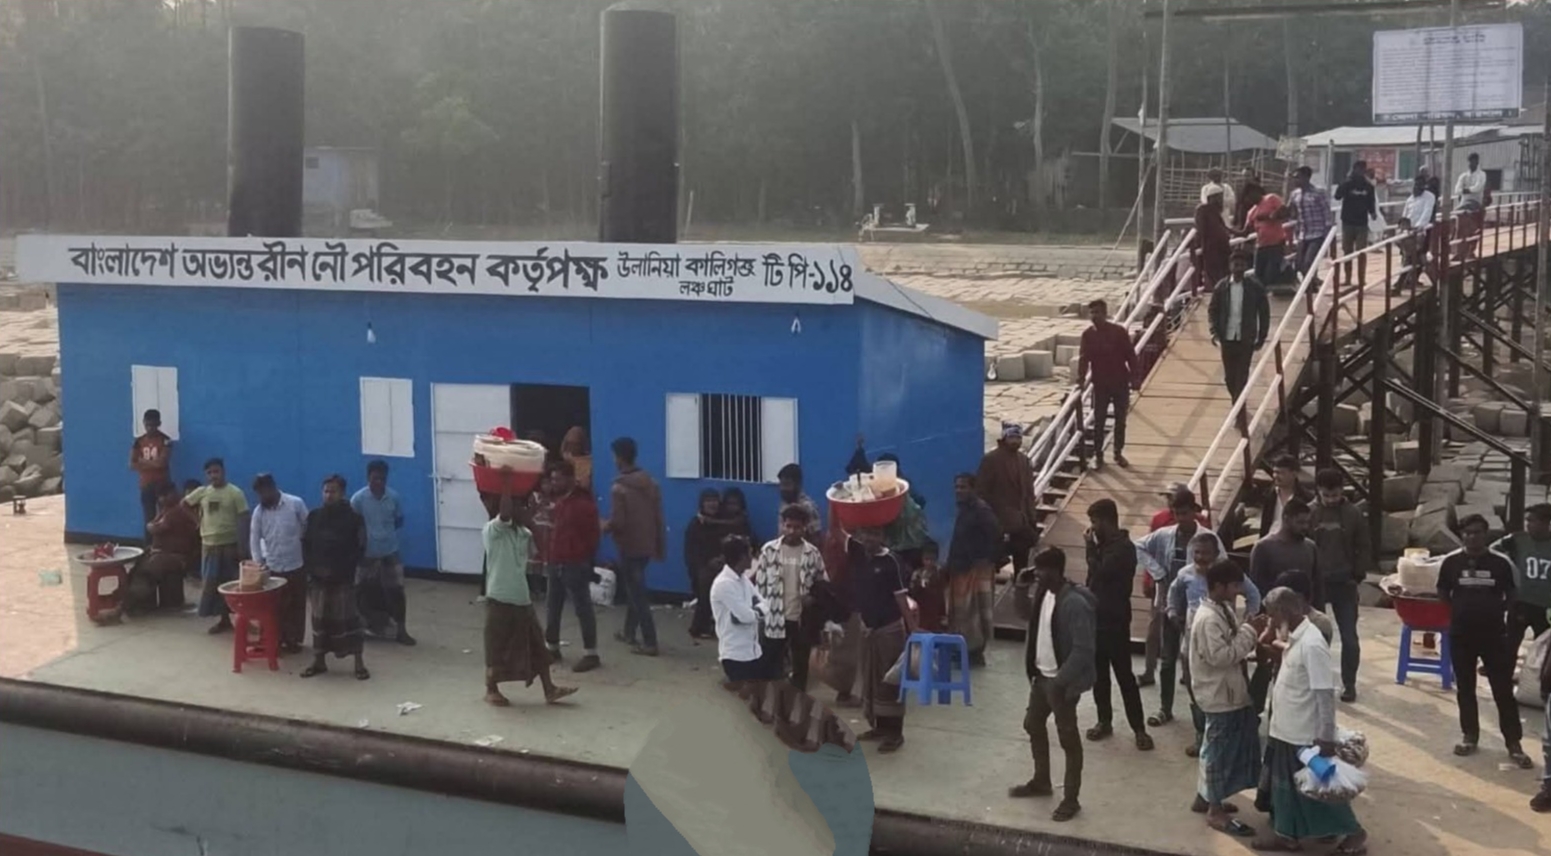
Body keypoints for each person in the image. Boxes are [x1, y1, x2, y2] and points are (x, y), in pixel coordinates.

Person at [1257, 587, 1367, 854]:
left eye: (1272, 616)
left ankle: (1354, 833)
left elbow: (1324, 694)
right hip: (1286, 729)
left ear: (1283, 612)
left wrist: (1326, 737)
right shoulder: (1297, 639)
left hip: (1304, 735)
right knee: (1286, 790)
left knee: (1319, 792)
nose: (1271, 621)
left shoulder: (1312, 644)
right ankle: (1286, 835)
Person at [1008, 547, 1097, 823]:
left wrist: (1060, 682)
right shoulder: (1044, 594)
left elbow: (1084, 649)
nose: (1037, 574)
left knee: (1068, 739)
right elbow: (1024, 615)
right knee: (1032, 724)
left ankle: (1071, 799)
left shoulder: (1074, 603)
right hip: (1041, 678)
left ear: (1056, 571)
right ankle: (1041, 780)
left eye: (1041, 569)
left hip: (1061, 683)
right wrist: (1020, 589)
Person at [1437, 514, 1533, 768]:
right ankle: (1470, 736)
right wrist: (1459, 610)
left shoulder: (1501, 563)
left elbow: (1513, 592)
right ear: (1462, 535)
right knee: (1465, 688)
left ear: (1486, 534)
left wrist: (1497, 611)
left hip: (1494, 636)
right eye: (1467, 533)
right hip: (1461, 635)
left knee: (1502, 690)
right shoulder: (1451, 562)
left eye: (1477, 532)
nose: (1472, 537)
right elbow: (1443, 590)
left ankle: (1514, 743)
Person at [481, 472, 578, 707]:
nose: (524, 509)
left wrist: (530, 519)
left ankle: (549, 688)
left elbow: (542, 550)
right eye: (520, 506)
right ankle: (491, 689)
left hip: (521, 598)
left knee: (536, 646)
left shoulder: (522, 532)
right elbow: (505, 514)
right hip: (500, 597)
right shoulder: (494, 530)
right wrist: (507, 484)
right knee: (497, 647)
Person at [1191, 559, 1267, 836]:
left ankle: (1206, 798)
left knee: (1221, 749)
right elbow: (1221, 657)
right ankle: (1215, 811)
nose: (1238, 591)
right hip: (1218, 694)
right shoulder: (1208, 619)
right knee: (1217, 754)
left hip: (1228, 691)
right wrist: (1250, 631)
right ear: (1219, 586)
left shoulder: (1222, 609)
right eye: (1235, 586)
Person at [1170, 532, 1263, 758]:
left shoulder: (1225, 596)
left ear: (1216, 554)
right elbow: (1221, 657)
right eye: (1197, 553)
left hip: (1221, 649)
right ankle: (1201, 733)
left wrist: (1249, 620)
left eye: (1206, 553)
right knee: (1199, 689)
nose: (1200, 557)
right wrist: (1173, 612)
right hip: (1198, 642)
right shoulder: (1188, 579)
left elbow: (1253, 595)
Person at [1134, 488, 1226, 711]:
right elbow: (1137, 546)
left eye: (1185, 513)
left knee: (1196, 659)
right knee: (1167, 659)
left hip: (1200, 607)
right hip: (1171, 603)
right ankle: (1165, 708)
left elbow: (1225, 566)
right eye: (1176, 513)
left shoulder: (1209, 538)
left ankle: (1201, 708)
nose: (1181, 518)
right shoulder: (1164, 534)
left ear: (1194, 511)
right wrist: (1157, 571)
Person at [1083, 499, 1153, 751]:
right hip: (1097, 620)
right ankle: (1104, 720)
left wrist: (1089, 549)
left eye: (1094, 522)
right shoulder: (1103, 547)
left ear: (1106, 520)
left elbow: (1102, 572)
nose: (1092, 527)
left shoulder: (1123, 548)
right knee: (1099, 676)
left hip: (1116, 621)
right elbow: (1092, 579)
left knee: (1124, 677)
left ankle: (1139, 728)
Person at [1248, 499, 1320, 712]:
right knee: (1264, 671)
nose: (1305, 527)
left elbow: (1316, 585)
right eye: (1300, 522)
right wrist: (1266, 626)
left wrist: (1317, 618)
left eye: (1307, 523)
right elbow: (1256, 589)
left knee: (1289, 677)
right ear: (1286, 519)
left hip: (1300, 622)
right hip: (1272, 622)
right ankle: (1252, 715)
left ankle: (1278, 716)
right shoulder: (1264, 548)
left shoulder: (1310, 548)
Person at [847, 525, 913, 753]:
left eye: (874, 534)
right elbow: (837, 532)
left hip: (889, 631)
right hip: (868, 630)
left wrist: (913, 629)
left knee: (890, 682)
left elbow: (901, 598)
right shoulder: (859, 556)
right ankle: (879, 727)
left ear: (883, 537)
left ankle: (895, 733)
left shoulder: (891, 561)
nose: (869, 538)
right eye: (866, 533)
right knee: (872, 680)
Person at [301, 475, 369, 680]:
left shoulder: (354, 519)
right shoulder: (314, 517)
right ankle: (319, 661)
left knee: (350, 621)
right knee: (319, 622)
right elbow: (306, 545)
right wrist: (312, 570)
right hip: (318, 580)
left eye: (333, 491)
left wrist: (344, 570)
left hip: (343, 579)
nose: (329, 495)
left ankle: (359, 664)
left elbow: (360, 548)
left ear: (342, 493)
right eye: (326, 491)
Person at [1310, 468, 1368, 702]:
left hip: (1345, 583)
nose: (1331, 500)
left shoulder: (1353, 514)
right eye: (1326, 495)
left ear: (1342, 491)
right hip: (1317, 584)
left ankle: (1349, 683)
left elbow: (1364, 546)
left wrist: (1358, 574)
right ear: (1318, 491)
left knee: (1350, 639)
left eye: (1335, 495)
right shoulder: (1311, 512)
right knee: (1316, 637)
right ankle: (1317, 682)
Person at [753, 505, 826, 690]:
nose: (792, 531)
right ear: (782, 525)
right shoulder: (769, 550)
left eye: (797, 527)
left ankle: (797, 699)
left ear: (805, 527)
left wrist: (813, 598)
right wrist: (761, 613)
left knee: (800, 665)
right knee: (770, 663)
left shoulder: (813, 554)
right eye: (788, 526)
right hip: (774, 617)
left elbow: (822, 583)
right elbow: (760, 585)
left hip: (801, 619)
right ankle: (769, 698)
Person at [606, 436, 665, 657]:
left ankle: (650, 642)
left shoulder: (619, 488)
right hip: (647, 542)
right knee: (635, 587)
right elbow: (658, 516)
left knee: (637, 593)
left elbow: (618, 522)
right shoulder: (651, 483)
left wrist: (602, 526)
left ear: (619, 457)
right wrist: (659, 542)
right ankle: (629, 632)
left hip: (629, 545)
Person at [542, 459, 601, 673]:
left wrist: (584, 558)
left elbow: (592, 535)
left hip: (574, 562)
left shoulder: (582, 505)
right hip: (557, 559)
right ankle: (552, 647)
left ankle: (591, 653)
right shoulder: (561, 501)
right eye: (552, 479)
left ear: (569, 479)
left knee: (582, 608)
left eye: (558, 479)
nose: (554, 483)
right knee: (553, 607)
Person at [352, 460, 414, 646]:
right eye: (374, 479)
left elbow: (398, 520)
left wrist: (385, 535)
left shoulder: (393, 497)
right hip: (366, 554)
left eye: (382, 479)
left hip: (390, 551)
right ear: (368, 478)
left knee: (397, 591)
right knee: (358, 591)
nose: (378, 482)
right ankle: (358, 628)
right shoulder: (358, 500)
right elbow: (354, 526)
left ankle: (401, 631)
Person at [185, 458, 248, 634]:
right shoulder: (202, 492)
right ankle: (224, 620)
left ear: (223, 471)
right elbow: (184, 504)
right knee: (213, 584)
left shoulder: (235, 492)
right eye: (210, 473)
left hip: (230, 545)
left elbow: (244, 518)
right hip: (209, 546)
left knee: (233, 584)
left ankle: (242, 621)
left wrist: (243, 546)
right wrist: (197, 521)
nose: (214, 475)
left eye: (216, 471)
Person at [248, 473, 309, 653]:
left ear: (273, 487)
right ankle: (274, 640)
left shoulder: (295, 504)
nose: (262, 496)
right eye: (259, 493)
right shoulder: (259, 512)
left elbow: (307, 526)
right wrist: (259, 563)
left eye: (264, 492)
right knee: (273, 607)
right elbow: (254, 539)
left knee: (296, 605)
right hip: (272, 566)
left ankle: (293, 641)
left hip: (296, 563)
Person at [945, 472, 1001, 665]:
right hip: (961, 568)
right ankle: (964, 649)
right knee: (962, 613)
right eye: (956, 487)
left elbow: (996, 536)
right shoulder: (965, 510)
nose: (958, 490)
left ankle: (974, 652)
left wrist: (983, 560)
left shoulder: (981, 511)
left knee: (975, 612)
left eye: (963, 487)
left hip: (974, 570)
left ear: (973, 489)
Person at [1077, 298, 1137, 470]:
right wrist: (1080, 380)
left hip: (1120, 382)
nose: (1094, 316)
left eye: (1097, 312)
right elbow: (1083, 359)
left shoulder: (1118, 332)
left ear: (1105, 314)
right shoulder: (1088, 335)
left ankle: (1118, 452)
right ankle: (1099, 455)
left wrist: (1135, 377)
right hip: (1100, 384)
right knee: (1099, 420)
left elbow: (1130, 356)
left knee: (1120, 419)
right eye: (1092, 313)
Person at [1492, 503, 1551, 669]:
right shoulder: (1517, 540)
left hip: (1545, 606)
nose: (1528, 524)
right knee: (1510, 644)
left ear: (1546, 522)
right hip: (1520, 602)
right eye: (1527, 520)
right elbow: (1492, 551)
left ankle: (1539, 680)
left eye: (1532, 520)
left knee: (1543, 649)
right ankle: (1503, 676)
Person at [125, 482, 199, 614]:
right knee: (137, 567)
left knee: (145, 573)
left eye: (166, 495)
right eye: (160, 496)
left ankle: (123, 608)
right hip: (163, 553)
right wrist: (152, 526)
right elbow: (153, 524)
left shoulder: (178, 510)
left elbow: (157, 528)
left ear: (174, 493)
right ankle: (143, 605)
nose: (163, 499)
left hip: (176, 556)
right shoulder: (166, 509)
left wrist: (151, 526)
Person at [1208, 250, 1271, 403]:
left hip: (1246, 338)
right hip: (1227, 337)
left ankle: (1238, 408)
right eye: (1236, 265)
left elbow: (1264, 313)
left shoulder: (1255, 287)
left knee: (1242, 376)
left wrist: (1262, 336)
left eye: (1242, 265)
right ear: (1230, 266)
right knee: (1229, 377)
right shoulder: (1221, 287)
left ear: (1246, 266)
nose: (1239, 269)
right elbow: (1212, 310)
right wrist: (1214, 332)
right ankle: (1237, 403)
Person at [978, 422, 1038, 572]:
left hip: (1022, 519)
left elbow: (1029, 492)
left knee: (1022, 561)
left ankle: (1019, 582)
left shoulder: (1024, 460)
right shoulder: (991, 459)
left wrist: (1032, 517)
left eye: (1018, 437)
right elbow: (982, 491)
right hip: (1000, 520)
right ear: (1004, 438)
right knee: (994, 559)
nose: (1015, 441)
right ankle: (1000, 560)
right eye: (1012, 437)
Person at [711, 534, 769, 689]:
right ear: (742, 557)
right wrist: (756, 611)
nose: (753, 558)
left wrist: (754, 611)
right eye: (750, 554)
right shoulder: (724, 585)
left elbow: (764, 604)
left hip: (753, 652)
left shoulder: (743, 580)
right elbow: (745, 617)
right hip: (735, 656)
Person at [683, 488, 727, 641]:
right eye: (708, 501)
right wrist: (708, 562)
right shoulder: (696, 524)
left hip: (724, 563)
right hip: (702, 566)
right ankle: (700, 626)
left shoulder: (723, 522)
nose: (712, 504)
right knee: (706, 584)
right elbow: (692, 551)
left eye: (715, 500)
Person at [1333, 160, 1377, 281]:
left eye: (1362, 169)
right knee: (1347, 251)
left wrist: (1373, 212)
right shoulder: (1347, 184)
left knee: (1361, 252)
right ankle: (1347, 278)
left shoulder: (1368, 186)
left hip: (1362, 223)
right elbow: (1337, 196)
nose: (1360, 172)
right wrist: (1345, 182)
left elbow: (1371, 201)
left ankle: (1361, 279)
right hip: (1348, 221)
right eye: (1358, 169)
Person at [130, 408, 173, 527]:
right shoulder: (138, 441)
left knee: (165, 516)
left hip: (163, 484)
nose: (150, 428)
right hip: (146, 484)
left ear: (159, 423)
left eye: (153, 425)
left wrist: (142, 461)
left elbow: (162, 463)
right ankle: (149, 539)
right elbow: (132, 464)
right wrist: (154, 463)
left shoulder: (165, 440)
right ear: (144, 423)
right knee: (149, 518)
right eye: (147, 425)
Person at [1289, 166, 1333, 280]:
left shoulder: (1319, 192)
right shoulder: (1294, 194)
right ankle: (1311, 283)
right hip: (1302, 234)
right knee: (1299, 264)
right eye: (1294, 178)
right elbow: (1292, 213)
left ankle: (1310, 285)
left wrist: (1327, 234)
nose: (1295, 180)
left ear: (1306, 177)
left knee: (1309, 262)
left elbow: (1326, 213)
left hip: (1317, 234)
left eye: (1298, 177)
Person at [1396, 175, 1438, 294]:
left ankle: (1400, 283)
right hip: (1407, 233)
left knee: (1413, 257)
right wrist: (1402, 228)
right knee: (1415, 258)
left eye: (1420, 185)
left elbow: (1427, 213)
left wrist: (1418, 227)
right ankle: (1435, 284)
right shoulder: (1410, 199)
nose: (1417, 187)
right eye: (1416, 184)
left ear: (1424, 186)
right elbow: (1405, 215)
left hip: (1420, 232)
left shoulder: (1429, 197)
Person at [1243, 186, 1289, 288]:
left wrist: (1270, 216)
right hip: (1261, 246)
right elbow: (1245, 231)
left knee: (1271, 274)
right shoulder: (1251, 212)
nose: (1249, 199)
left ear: (1255, 191)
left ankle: (1271, 293)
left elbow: (1285, 211)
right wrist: (1227, 230)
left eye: (1249, 196)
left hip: (1276, 244)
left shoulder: (1271, 198)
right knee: (1258, 275)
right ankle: (1261, 295)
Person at [1260, 455, 1311, 538]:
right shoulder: (1269, 494)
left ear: (1294, 474)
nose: (1276, 476)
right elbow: (1264, 524)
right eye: (1275, 472)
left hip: (1294, 540)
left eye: (1281, 473)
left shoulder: (1305, 498)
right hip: (1270, 538)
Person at [1195, 188, 1234, 291]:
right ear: (1210, 198)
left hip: (1223, 247)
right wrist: (1203, 247)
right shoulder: (1203, 210)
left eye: (1221, 197)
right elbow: (1201, 230)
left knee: (1225, 273)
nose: (1220, 200)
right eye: (1217, 197)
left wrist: (1240, 232)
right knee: (1214, 275)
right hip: (1212, 248)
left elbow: (1223, 228)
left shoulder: (1216, 212)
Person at [776, 463, 823, 544]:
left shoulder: (808, 507)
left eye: (787, 484)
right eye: (781, 485)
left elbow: (816, 539)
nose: (783, 489)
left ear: (798, 485)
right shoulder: (784, 504)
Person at [560, 426, 593, 492]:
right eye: (569, 443)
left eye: (576, 444)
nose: (572, 447)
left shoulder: (590, 461)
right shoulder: (562, 461)